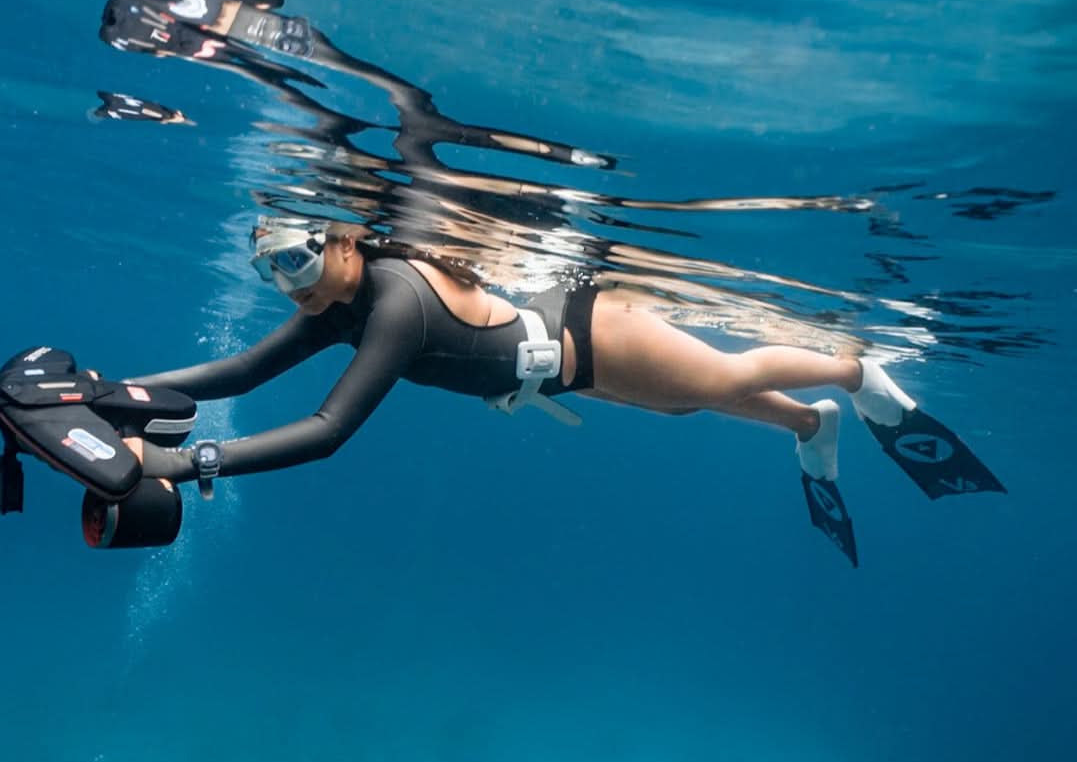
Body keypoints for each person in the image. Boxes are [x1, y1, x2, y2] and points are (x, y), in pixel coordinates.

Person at [125, 220, 1004, 567]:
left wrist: (181, 459)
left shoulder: (388, 296)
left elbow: (326, 430)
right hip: (568, 360)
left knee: (724, 375)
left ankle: (853, 373)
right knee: (681, 401)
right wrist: (115, 390)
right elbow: (238, 374)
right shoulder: (340, 301)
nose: (290, 283)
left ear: (347, 240)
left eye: (299, 259)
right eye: (269, 269)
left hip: (590, 332)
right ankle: (808, 421)